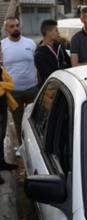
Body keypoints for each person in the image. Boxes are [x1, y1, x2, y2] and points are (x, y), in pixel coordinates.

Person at [1, 16, 38, 145]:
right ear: (6, 29)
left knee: (34, 119)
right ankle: (22, 146)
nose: (15, 28)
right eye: (11, 26)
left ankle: (35, 145)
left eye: (17, 25)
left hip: (32, 89)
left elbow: (36, 64)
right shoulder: (2, 46)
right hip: (13, 92)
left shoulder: (30, 43)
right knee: (18, 120)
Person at [34, 19, 72, 88]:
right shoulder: (39, 54)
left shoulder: (59, 46)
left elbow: (69, 62)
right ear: (48, 32)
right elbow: (50, 75)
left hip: (65, 86)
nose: (58, 33)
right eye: (56, 30)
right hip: (50, 90)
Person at [0, 66, 18, 180]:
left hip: (2, 108)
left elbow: (11, 84)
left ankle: (2, 163)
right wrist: (3, 85)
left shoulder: (0, 69)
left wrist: (2, 85)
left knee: (1, 137)